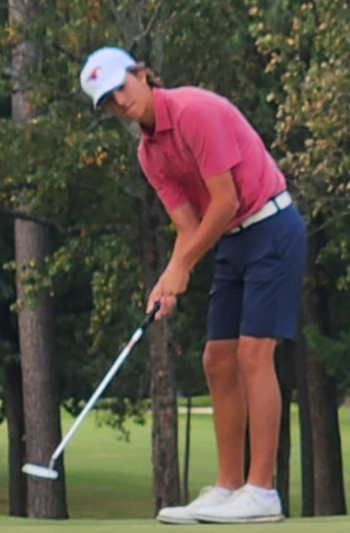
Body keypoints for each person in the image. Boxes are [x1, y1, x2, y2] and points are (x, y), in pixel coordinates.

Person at [80, 46, 306, 524]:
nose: (120, 103)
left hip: (272, 227)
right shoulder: (148, 152)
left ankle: (262, 491)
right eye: (108, 101)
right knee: (216, 358)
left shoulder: (195, 111)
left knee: (252, 354)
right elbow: (187, 224)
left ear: (142, 75)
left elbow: (224, 201)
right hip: (232, 241)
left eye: (122, 88)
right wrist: (169, 276)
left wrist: (182, 268)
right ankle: (227, 488)